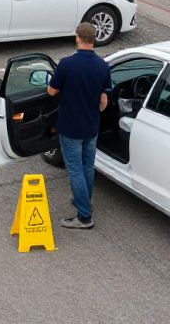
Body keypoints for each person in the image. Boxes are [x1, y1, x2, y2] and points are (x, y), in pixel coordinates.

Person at [46, 22, 112, 230]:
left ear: (78, 38)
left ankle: (84, 216)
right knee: (87, 167)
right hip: (91, 126)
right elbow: (104, 101)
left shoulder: (66, 64)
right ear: (93, 39)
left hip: (70, 127)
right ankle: (85, 201)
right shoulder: (103, 66)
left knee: (74, 170)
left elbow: (51, 92)